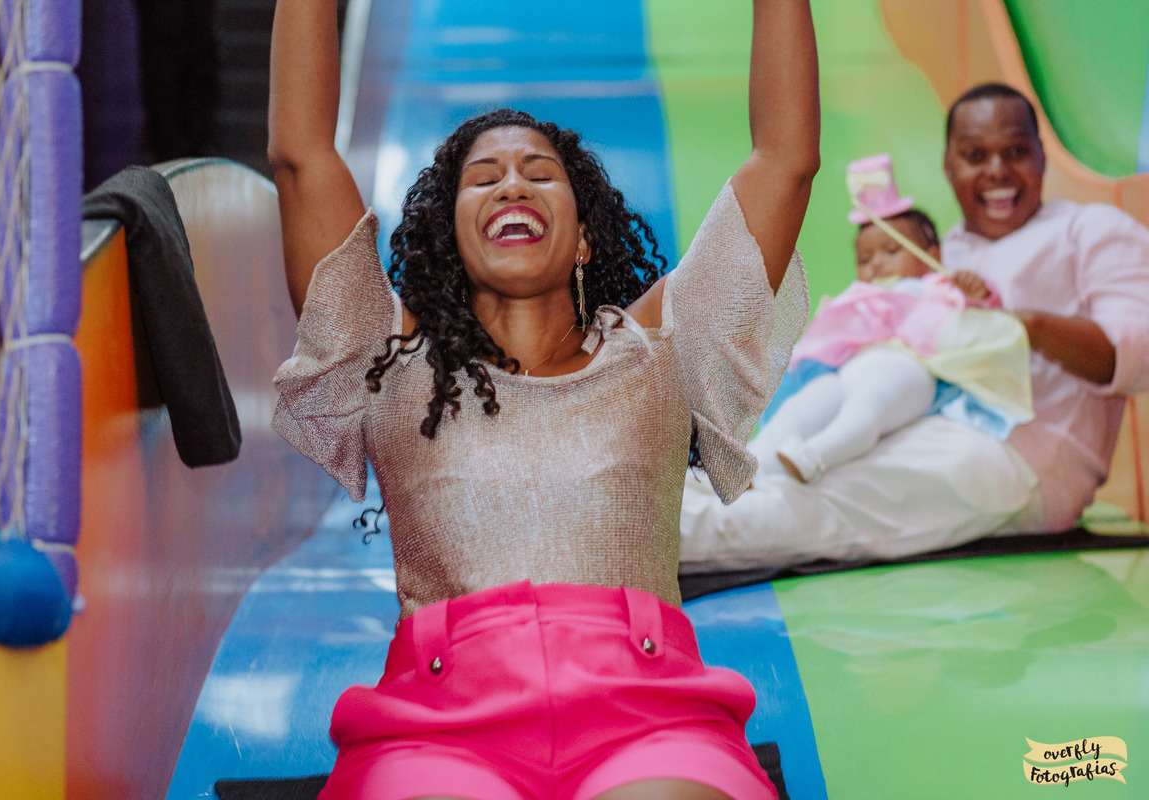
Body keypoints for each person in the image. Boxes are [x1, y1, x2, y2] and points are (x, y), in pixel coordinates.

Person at [267, 1, 819, 798]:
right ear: (450, 236)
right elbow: (299, 157)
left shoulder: (664, 348)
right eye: (482, 179)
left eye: (539, 172)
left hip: (651, 715)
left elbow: (786, 160)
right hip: (439, 722)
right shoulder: (386, 356)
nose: (512, 184)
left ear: (586, 234)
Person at [680, 82, 1149, 574]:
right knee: (799, 458)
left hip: (1022, 459)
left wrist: (1028, 327)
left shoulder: (1091, 230)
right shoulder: (940, 253)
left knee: (835, 503)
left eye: (1016, 152)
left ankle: (653, 534)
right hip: (920, 419)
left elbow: (1135, 356)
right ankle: (672, 495)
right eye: (975, 155)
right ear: (948, 166)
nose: (997, 172)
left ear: (1041, 157)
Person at [751, 191, 1032, 485]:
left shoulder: (937, 288)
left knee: (869, 403)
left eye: (892, 251)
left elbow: (977, 324)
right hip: (847, 371)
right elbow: (825, 340)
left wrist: (976, 294)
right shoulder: (856, 298)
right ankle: (755, 460)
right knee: (807, 403)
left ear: (932, 257)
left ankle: (817, 454)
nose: (876, 264)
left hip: (908, 367)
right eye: (865, 259)